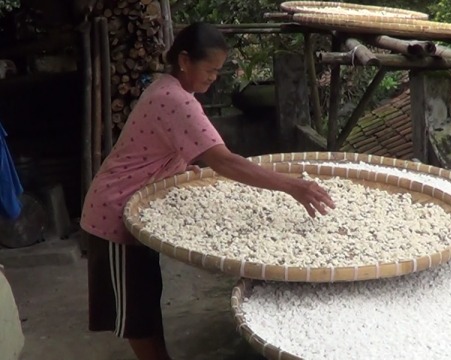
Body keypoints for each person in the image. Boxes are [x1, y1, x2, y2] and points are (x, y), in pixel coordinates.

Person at [80, 22, 335, 360]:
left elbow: (164, 147)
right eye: (210, 69)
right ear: (184, 60)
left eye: (219, 71)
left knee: (145, 298)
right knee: (136, 316)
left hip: (134, 210)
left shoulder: (169, 89)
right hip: (112, 215)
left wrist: (178, 168)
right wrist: (293, 187)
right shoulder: (174, 99)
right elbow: (224, 161)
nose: (214, 77)